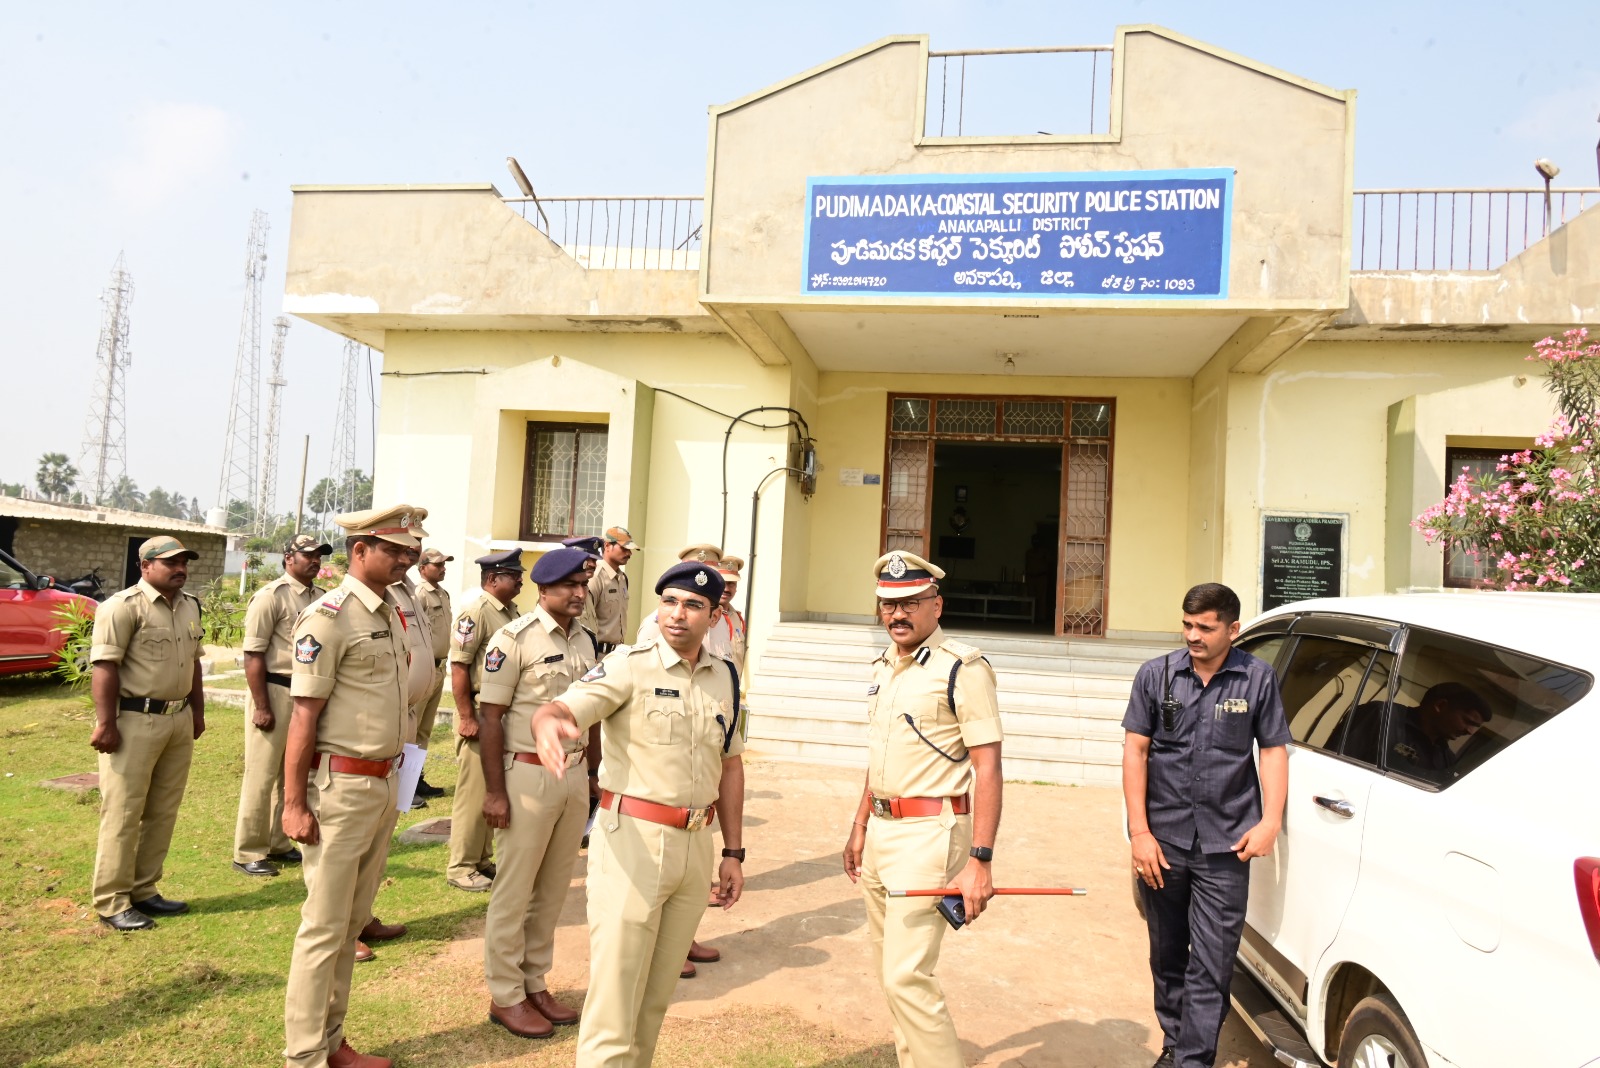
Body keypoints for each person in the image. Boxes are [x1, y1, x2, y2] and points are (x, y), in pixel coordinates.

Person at [531, 560, 746, 1067]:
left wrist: (733, 852)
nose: (677, 614)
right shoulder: (629, 664)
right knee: (615, 998)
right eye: (669, 602)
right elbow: (565, 707)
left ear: (715, 616)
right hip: (633, 841)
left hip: (695, 846)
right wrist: (547, 722)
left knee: (654, 998)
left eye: (693, 605)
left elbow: (730, 765)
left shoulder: (724, 676)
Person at [841, 551, 1002, 1068]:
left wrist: (980, 859)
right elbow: (881, 757)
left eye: (911, 602)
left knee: (906, 975)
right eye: (889, 604)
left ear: (937, 605)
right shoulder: (883, 666)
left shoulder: (963, 669)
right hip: (881, 829)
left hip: (931, 832)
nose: (897, 614)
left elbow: (988, 768)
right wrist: (860, 824)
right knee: (889, 971)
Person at [1122, 582, 1290, 1068]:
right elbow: (1136, 752)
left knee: (1213, 960)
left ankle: (1194, 1059)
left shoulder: (1256, 678)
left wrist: (1270, 821)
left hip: (1227, 844)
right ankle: (1175, 1043)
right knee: (1167, 952)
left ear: (1232, 629)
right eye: (1187, 625)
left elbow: (1273, 751)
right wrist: (1140, 833)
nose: (1193, 635)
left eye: (1205, 627)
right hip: (1164, 841)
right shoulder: (1156, 675)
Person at [281, 504, 419, 1068]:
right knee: (324, 927)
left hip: (382, 784)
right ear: (360, 551)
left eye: (410, 551)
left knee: (350, 924)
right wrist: (293, 803)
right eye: (395, 550)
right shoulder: (328, 618)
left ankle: (332, 1041)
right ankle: (305, 1055)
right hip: (341, 788)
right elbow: (303, 718)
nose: (406, 559)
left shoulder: (387, 611)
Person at [476, 547, 599, 1038]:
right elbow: (490, 718)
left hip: (573, 774)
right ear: (543, 589)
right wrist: (495, 792)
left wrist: (594, 773)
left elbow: (592, 713)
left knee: (552, 888)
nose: (578, 593)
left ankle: (534, 981)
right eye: (569, 585)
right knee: (515, 889)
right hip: (526, 774)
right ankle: (506, 994)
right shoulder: (513, 640)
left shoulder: (586, 639)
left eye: (582, 585)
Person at [87, 536, 207, 932]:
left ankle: (144, 888)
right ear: (145, 566)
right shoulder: (121, 607)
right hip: (134, 720)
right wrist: (106, 723)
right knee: (124, 811)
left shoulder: (189, 605)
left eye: (184, 562)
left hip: (177, 718)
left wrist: (197, 712)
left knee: (163, 810)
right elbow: (105, 666)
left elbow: (194, 663)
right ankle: (112, 900)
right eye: (171, 562)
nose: (180, 569)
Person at [233, 533, 330, 878]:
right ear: (289, 558)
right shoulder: (270, 597)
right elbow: (253, 654)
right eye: (308, 555)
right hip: (275, 689)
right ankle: (248, 850)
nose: (315, 561)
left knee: (293, 772)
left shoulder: (323, 598)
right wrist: (261, 705)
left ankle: (277, 841)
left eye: (319, 555)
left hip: (307, 693)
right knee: (262, 773)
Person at [446, 547, 524, 891]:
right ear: (493, 579)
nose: (520, 581)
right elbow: (459, 665)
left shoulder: (509, 612)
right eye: (514, 576)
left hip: (498, 713)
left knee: (492, 788)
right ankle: (461, 865)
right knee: (474, 792)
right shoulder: (476, 612)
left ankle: (481, 859)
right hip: (478, 711)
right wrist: (466, 716)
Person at [1342, 681, 1490, 780]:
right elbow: (1339, 767)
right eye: (1468, 721)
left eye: (1475, 727)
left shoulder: (1446, 759)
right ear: (1440, 705)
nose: (1470, 731)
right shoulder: (1381, 716)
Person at [412, 547, 455, 799]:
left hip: (440, 667)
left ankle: (416, 780)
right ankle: (405, 786)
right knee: (412, 727)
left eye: (443, 564)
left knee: (424, 730)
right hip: (424, 667)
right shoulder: (419, 594)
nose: (442, 568)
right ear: (422, 568)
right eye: (437, 565)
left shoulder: (442, 594)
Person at [588, 526, 637, 655]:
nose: (629, 554)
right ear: (608, 546)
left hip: (617, 654)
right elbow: (584, 620)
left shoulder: (622, 578)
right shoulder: (595, 577)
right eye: (624, 548)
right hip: (597, 655)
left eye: (630, 550)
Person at [707, 556, 747, 672]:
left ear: (736, 588)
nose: (726, 589)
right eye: (722, 583)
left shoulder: (736, 617)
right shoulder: (705, 615)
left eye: (731, 584)